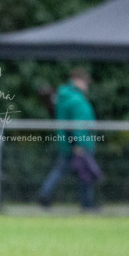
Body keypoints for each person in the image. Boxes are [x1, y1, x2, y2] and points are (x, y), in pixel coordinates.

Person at [38, 68, 100, 211]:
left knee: (60, 170)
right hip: (80, 143)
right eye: (85, 82)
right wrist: (77, 144)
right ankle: (87, 203)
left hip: (67, 142)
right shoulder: (75, 100)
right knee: (86, 173)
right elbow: (76, 125)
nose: (87, 86)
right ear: (77, 80)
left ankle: (45, 194)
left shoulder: (64, 96)